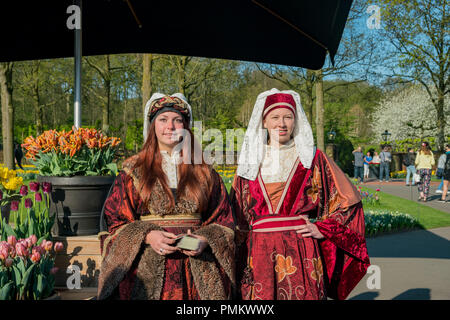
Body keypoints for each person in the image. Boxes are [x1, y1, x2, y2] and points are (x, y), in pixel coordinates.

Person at [230, 89, 370, 300]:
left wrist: (324, 229)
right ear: (264, 122)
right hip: (258, 252)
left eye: (288, 117)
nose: (282, 123)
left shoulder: (312, 158)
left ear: (296, 121)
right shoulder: (250, 162)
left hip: (300, 248)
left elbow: (348, 202)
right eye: (275, 117)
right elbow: (235, 213)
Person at [97, 93, 235, 300]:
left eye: (177, 120)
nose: (170, 126)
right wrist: (147, 235)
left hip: (198, 272)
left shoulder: (205, 172)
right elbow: (114, 223)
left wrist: (204, 239)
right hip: (145, 271)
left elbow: (224, 221)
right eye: (163, 120)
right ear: (153, 126)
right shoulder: (133, 172)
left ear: (186, 127)